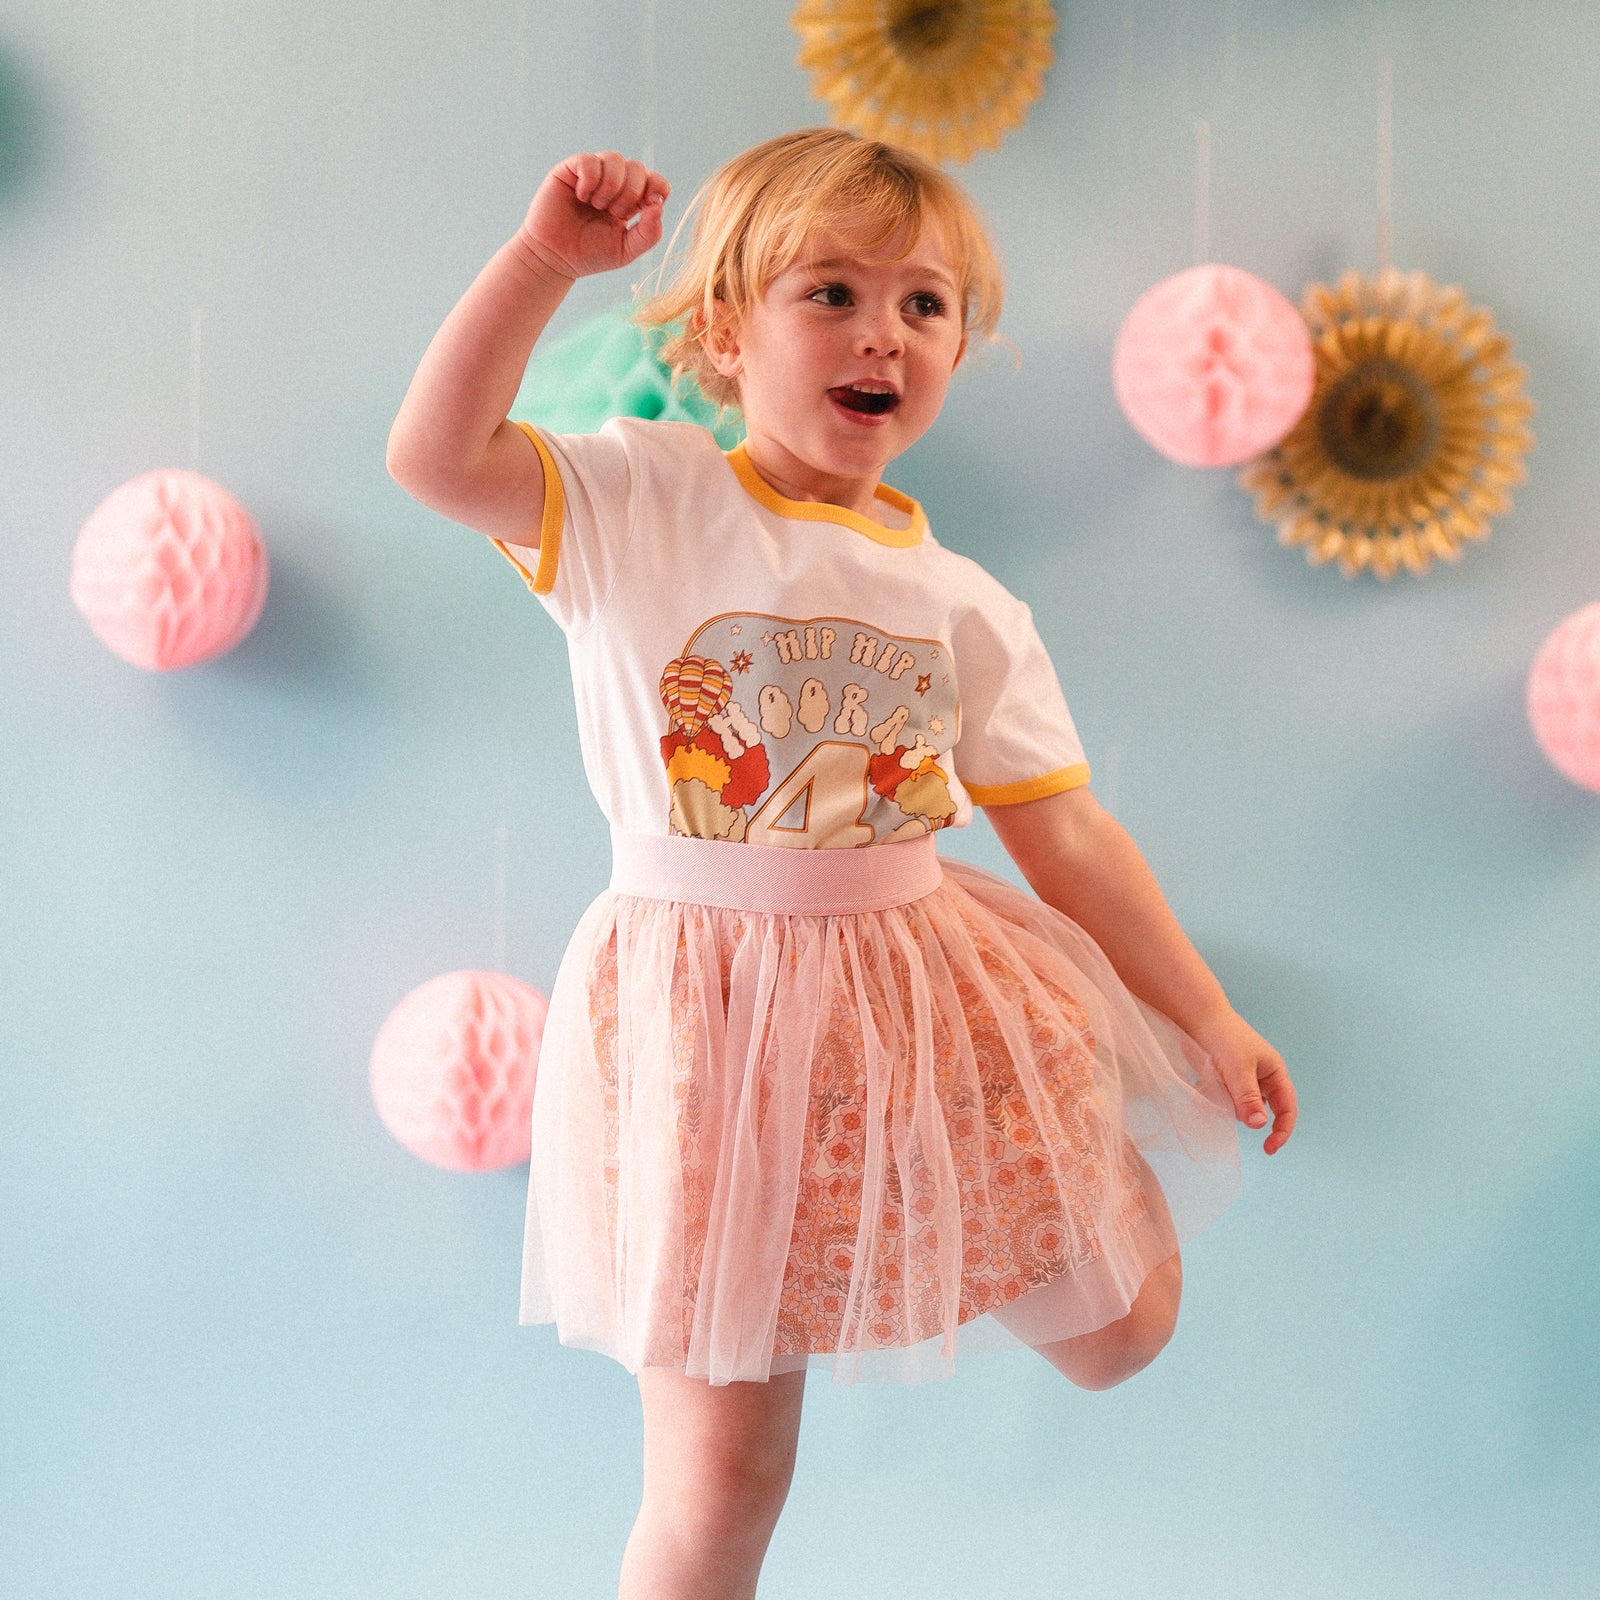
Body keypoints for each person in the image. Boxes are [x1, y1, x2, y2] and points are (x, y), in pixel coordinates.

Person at [388, 129, 1298, 1600]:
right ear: (722, 335)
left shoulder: (962, 602)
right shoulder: (642, 504)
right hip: (701, 1026)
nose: (884, 331)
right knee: (723, 1476)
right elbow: (431, 459)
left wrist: (1206, 1012)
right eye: (831, 292)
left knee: (1127, 1331)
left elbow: (1066, 830)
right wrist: (545, 264)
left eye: (925, 305)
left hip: (913, 1005)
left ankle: (1015, 1185)